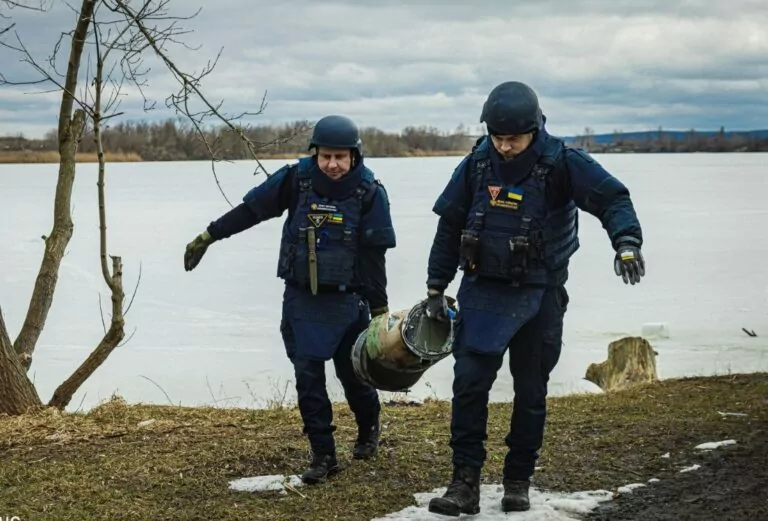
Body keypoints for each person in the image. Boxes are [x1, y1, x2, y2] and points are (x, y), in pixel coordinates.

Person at [423, 81, 645, 516]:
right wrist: (435, 287)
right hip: (482, 290)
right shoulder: (476, 164)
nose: (505, 147)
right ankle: (463, 483)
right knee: (468, 386)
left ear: (536, 128)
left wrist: (627, 242)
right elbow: (450, 226)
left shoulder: (563, 163)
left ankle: (518, 480)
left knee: (531, 390)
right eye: (498, 137)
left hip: (539, 294)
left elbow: (612, 199)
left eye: (515, 139)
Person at [183, 115, 397, 484]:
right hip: (302, 299)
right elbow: (252, 211)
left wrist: (380, 311)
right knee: (308, 376)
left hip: (350, 302)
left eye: (340, 157)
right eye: (325, 156)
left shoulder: (369, 192)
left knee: (354, 376)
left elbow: (374, 256)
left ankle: (368, 430)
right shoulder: (296, 180)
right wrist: (210, 235)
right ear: (314, 154)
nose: (331, 164)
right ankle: (324, 454)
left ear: (354, 156)